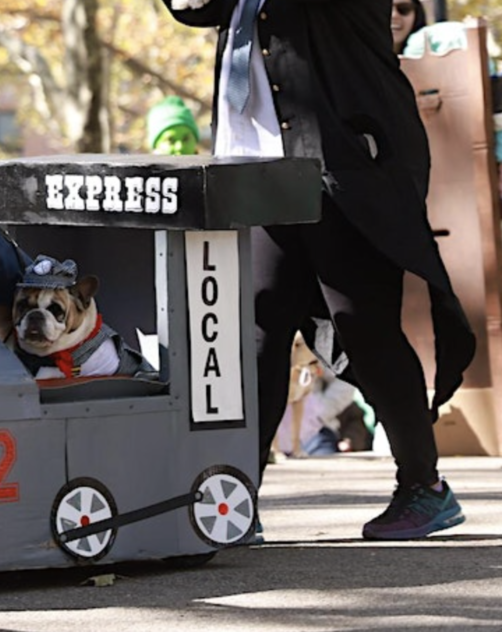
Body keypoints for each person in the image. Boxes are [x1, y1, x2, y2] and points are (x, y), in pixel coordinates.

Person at [162, 0, 475, 540]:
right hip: (258, 177)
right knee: (257, 336)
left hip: (342, 171)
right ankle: (237, 499)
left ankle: (424, 487)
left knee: (366, 328)